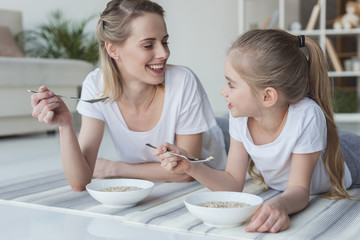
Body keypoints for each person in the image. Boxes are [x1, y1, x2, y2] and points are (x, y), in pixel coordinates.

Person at [156, 29, 360, 233]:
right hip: (318, 145)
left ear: (267, 97)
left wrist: (279, 205)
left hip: (349, 157)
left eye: (231, 84)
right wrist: (191, 166)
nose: (223, 91)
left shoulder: (306, 115)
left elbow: (299, 190)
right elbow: (233, 183)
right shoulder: (239, 116)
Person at [29, 0, 226, 192]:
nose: (164, 53)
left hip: (227, 137)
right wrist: (65, 125)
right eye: (148, 45)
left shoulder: (183, 80)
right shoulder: (97, 85)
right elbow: (80, 182)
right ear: (114, 49)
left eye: (164, 42)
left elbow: (184, 172)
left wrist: (115, 168)